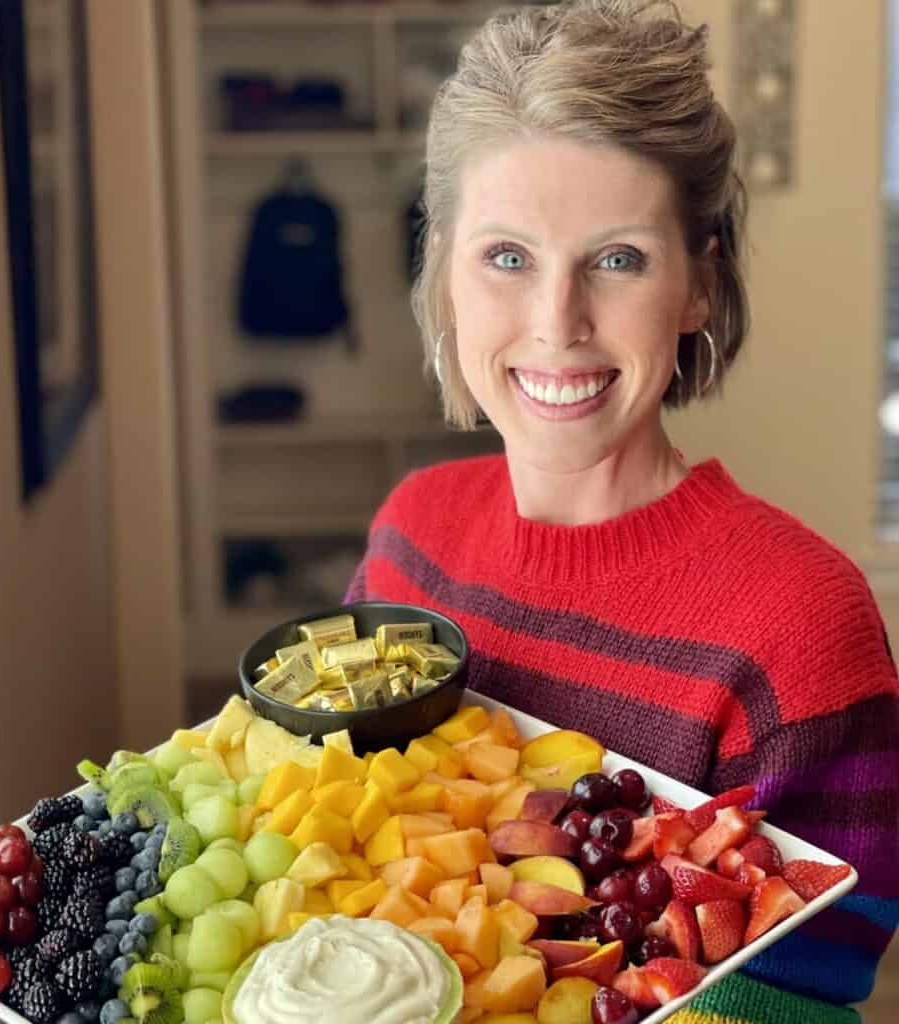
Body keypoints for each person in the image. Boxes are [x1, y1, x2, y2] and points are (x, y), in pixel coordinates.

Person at [343, 2, 899, 1021]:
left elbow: (810, 1003)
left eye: (618, 259)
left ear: (699, 283)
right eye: (506, 257)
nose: (557, 324)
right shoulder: (405, 541)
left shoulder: (800, 624)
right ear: (447, 278)